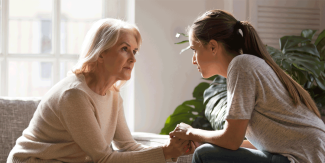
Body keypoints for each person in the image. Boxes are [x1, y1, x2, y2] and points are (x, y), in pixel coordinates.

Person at [7, 18, 194, 163]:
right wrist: (165, 152)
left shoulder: (113, 95)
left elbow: (127, 146)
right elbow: (104, 159)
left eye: (134, 51)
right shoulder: (74, 95)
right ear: (101, 53)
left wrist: (173, 146)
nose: (132, 59)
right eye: (124, 49)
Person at [169, 9, 325, 163]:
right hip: (301, 156)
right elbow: (262, 144)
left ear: (213, 47)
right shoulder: (247, 65)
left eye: (194, 50)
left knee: (204, 155)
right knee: (206, 150)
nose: (193, 60)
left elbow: (232, 140)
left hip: (301, 159)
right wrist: (205, 140)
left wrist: (191, 132)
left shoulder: (241, 65)